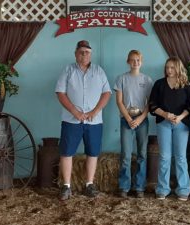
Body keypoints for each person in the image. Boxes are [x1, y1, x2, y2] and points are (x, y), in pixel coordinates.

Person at [55, 40, 111, 200]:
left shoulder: (99, 71)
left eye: (87, 52)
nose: (84, 54)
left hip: (94, 121)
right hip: (71, 120)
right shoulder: (68, 70)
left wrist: (95, 111)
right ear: (75, 54)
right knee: (66, 152)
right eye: (81, 52)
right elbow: (60, 92)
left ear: (91, 54)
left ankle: (89, 184)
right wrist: (74, 111)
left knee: (92, 153)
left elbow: (106, 93)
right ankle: (66, 186)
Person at [149, 56, 190, 201]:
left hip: (181, 124)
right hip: (163, 123)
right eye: (167, 67)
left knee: (180, 157)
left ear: (178, 68)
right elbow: (152, 106)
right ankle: (162, 189)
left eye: (172, 67)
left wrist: (179, 118)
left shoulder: (186, 85)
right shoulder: (159, 84)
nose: (169, 70)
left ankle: (183, 190)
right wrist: (166, 115)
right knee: (164, 157)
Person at [114, 50, 153, 198]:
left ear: (141, 61)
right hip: (126, 119)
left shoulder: (147, 80)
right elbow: (119, 101)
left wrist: (141, 118)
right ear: (128, 61)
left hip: (141, 120)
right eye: (132, 60)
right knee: (126, 154)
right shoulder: (121, 79)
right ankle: (124, 186)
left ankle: (140, 187)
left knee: (142, 153)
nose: (135, 62)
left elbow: (150, 103)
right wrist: (128, 119)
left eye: (138, 60)